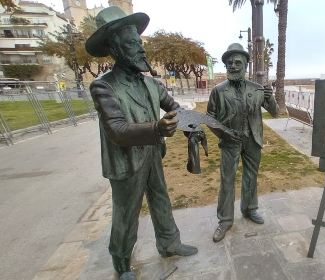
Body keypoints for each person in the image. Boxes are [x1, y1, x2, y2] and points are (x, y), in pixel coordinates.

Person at [85, 6, 197, 280]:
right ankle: (122, 262)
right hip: (125, 161)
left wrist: (191, 124)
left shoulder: (151, 84)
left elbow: (175, 108)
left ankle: (169, 243)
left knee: (161, 198)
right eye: (133, 43)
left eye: (140, 42)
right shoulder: (103, 86)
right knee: (127, 212)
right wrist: (157, 127)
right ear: (116, 48)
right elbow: (117, 130)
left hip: (151, 154)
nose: (141, 49)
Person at [207, 43, 278, 243]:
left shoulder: (257, 89)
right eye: (230, 62)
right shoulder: (218, 91)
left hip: (253, 139)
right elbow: (210, 117)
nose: (234, 65)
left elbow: (275, 112)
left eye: (238, 62)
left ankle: (249, 209)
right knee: (227, 180)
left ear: (246, 65)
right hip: (230, 141)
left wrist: (270, 97)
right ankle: (225, 220)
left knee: (251, 176)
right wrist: (223, 134)